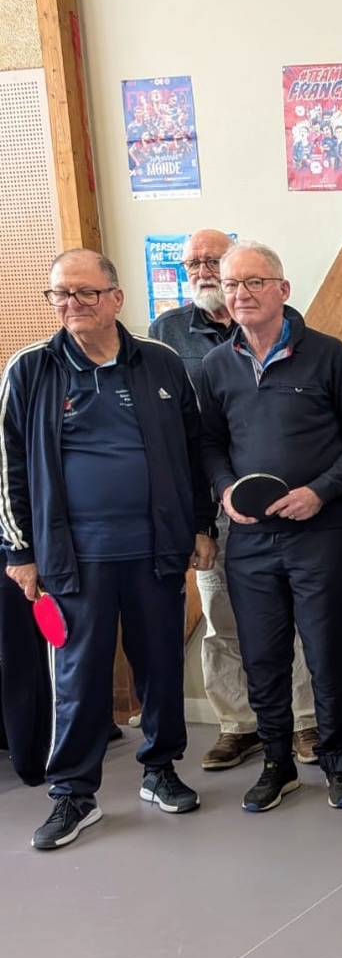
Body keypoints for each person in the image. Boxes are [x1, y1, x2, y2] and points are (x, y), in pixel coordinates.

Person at [2, 249, 213, 849]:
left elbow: (194, 453)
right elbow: (9, 470)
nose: (72, 304)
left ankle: (160, 769)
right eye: (61, 294)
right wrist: (18, 552)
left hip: (157, 550)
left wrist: (202, 526)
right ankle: (73, 793)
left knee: (161, 667)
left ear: (115, 299)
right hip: (74, 559)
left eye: (85, 293)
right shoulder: (30, 370)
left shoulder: (161, 363)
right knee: (78, 676)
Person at [197, 240, 342, 813]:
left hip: (320, 533)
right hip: (249, 539)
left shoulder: (328, 357)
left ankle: (334, 760)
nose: (241, 294)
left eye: (254, 282)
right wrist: (226, 488)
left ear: (283, 289)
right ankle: (278, 762)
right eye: (232, 285)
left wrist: (320, 492)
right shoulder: (215, 366)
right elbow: (207, 444)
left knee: (327, 652)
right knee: (262, 654)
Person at [151, 229, 316, 770]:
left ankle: (303, 723)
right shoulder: (167, 332)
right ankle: (237, 724)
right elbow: (181, 432)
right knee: (221, 618)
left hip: (281, 506)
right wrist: (203, 512)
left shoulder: (284, 326)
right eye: (194, 263)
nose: (202, 271)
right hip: (209, 503)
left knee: (284, 619)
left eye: (213, 261)